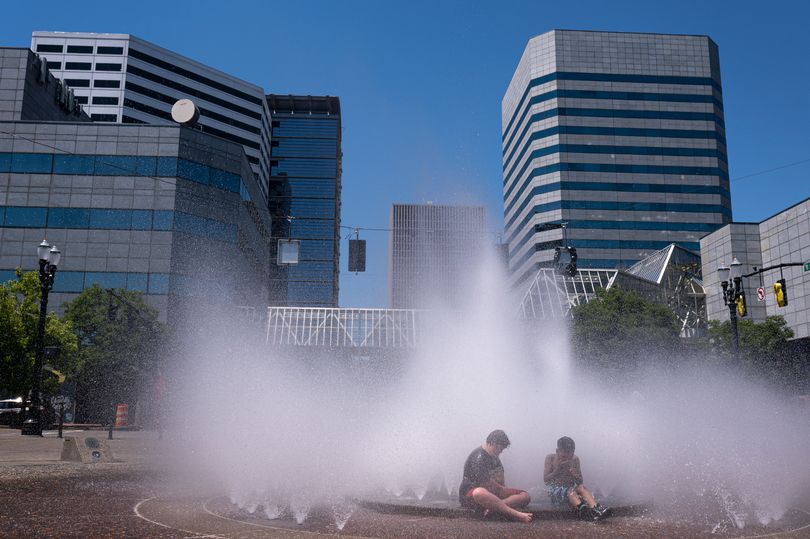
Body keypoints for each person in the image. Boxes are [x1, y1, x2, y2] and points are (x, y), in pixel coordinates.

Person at [459, 429, 533, 522]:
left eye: (502, 449)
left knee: (525, 495)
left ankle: (495, 506)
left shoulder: (494, 457)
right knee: (480, 492)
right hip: (471, 493)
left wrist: (503, 489)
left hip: (492, 493)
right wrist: (501, 489)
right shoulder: (478, 458)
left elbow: (500, 480)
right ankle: (517, 514)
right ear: (492, 443)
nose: (500, 452)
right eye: (499, 448)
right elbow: (486, 484)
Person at [543, 436, 611, 521]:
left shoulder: (575, 459)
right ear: (557, 451)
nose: (569, 456)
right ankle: (584, 511)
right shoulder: (550, 458)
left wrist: (574, 474)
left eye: (571, 453)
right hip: (555, 491)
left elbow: (580, 481)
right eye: (565, 454)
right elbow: (546, 480)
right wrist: (557, 470)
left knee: (582, 488)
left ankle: (596, 508)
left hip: (570, 490)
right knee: (571, 491)